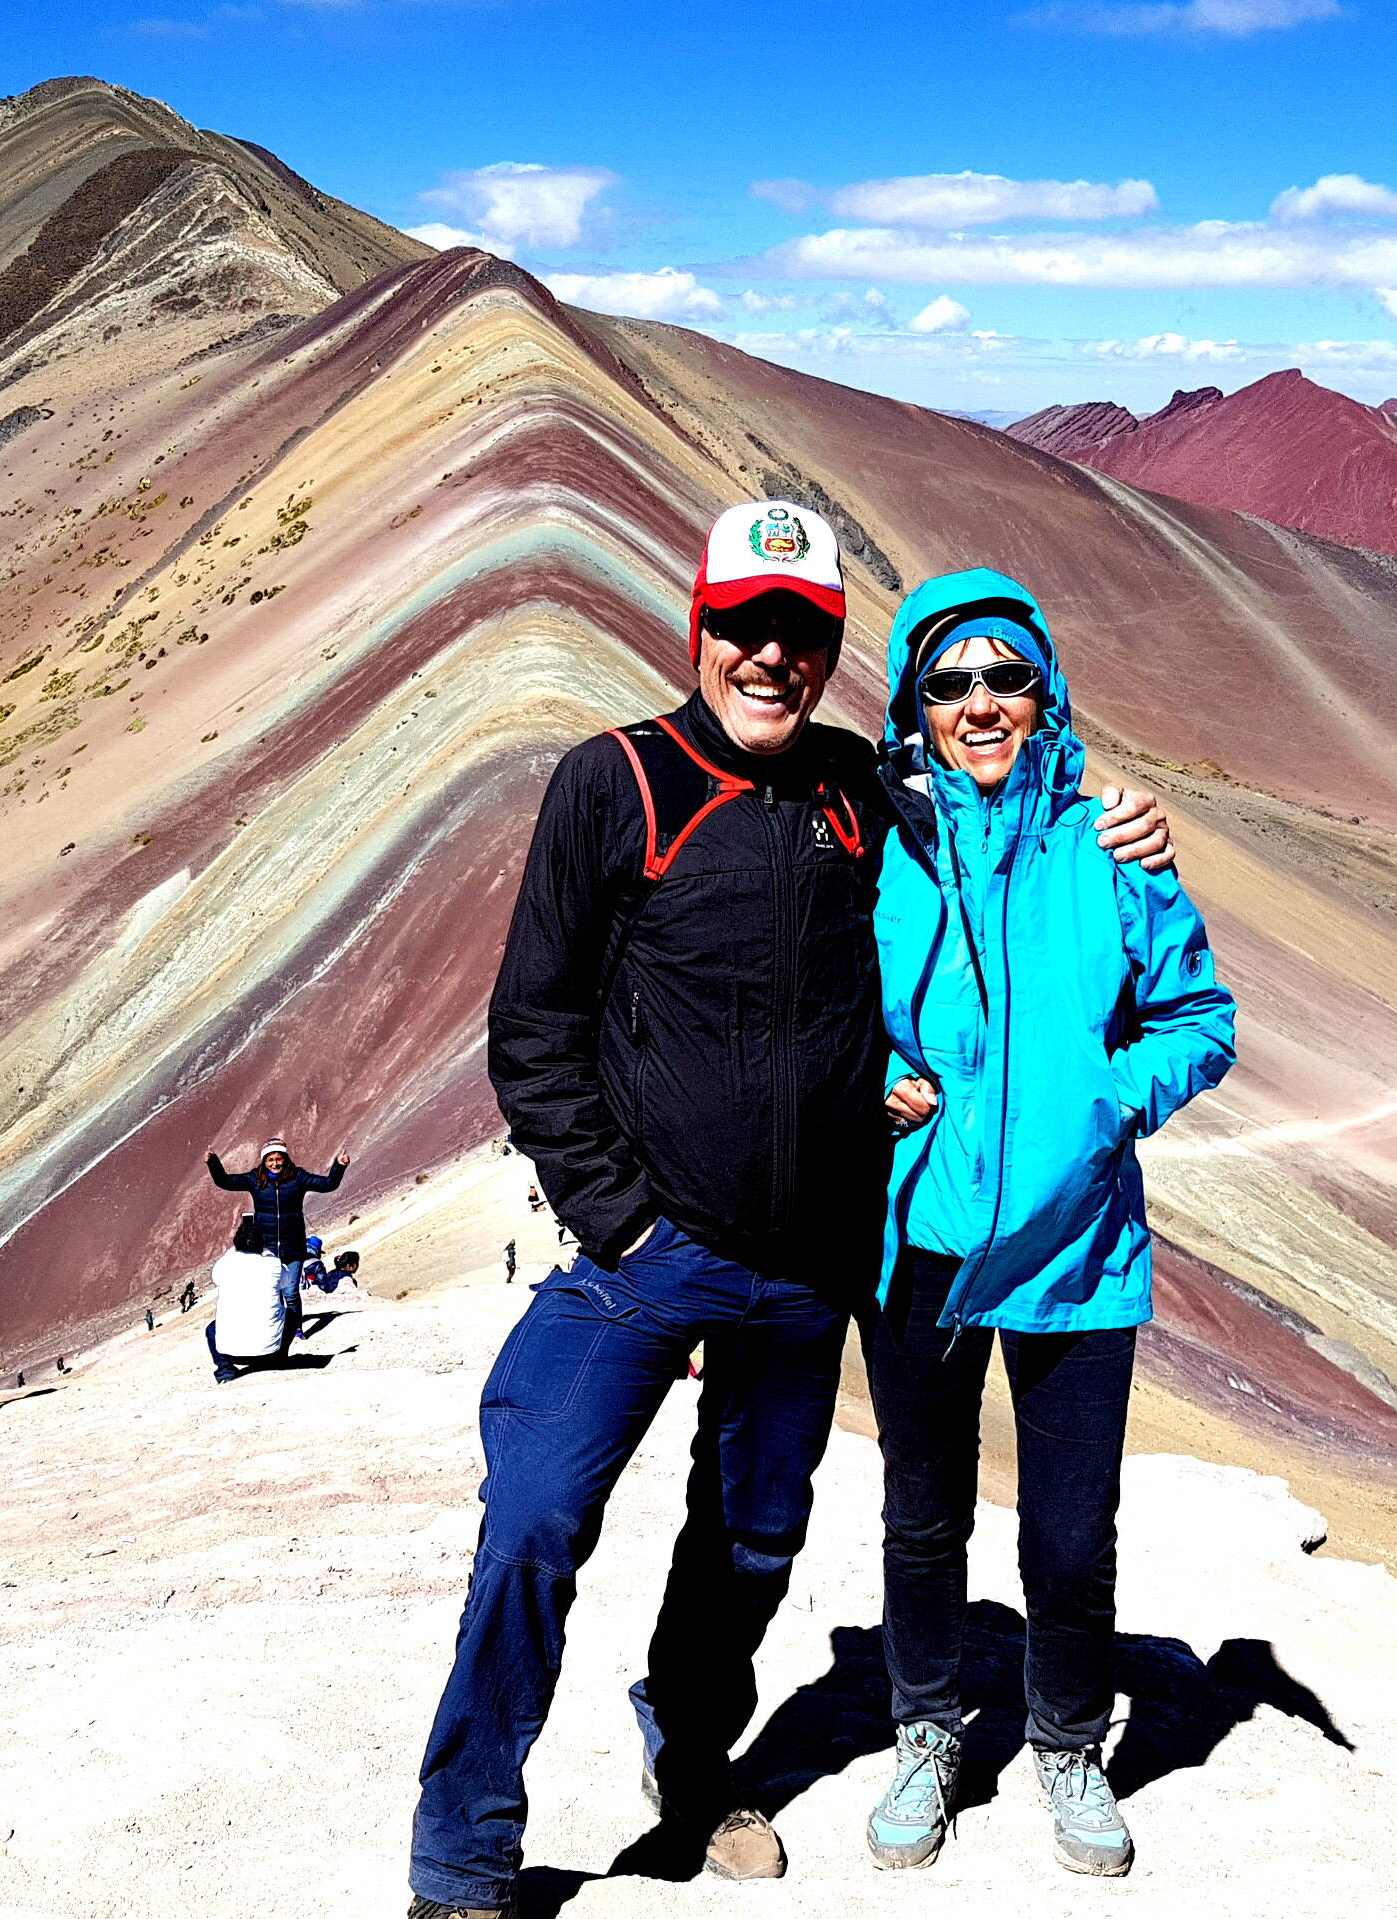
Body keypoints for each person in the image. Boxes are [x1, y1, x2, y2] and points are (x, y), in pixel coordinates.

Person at [405, 502, 1174, 1919]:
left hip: (810, 1272)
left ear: (829, 654)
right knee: (535, 1512)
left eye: (800, 634)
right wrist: (620, 1217)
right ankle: (462, 1850)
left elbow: (993, 836)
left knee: (754, 1537)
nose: (769, 655)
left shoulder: (859, 795)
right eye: (744, 626)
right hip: (646, 1256)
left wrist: (1117, 809)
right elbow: (533, 1027)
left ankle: (695, 1753)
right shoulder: (615, 782)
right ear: (698, 626)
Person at [863, 571, 1236, 1879]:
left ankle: (1070, 1738)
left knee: (1070, 1531)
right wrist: (871, 1074)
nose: (979, 702)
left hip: (1079, 1246)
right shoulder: (880, 851)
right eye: (949, 681)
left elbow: (1200, 1020)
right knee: (923, 1511)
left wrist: (1108, 1100)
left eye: (1004, 676)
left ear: (1046, 694)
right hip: (922, 1236)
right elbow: (816, 1001)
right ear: (914, 706)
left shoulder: (1112, 848)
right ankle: (926, 1727)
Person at [206, 1136, 348, 1337]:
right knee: (272, 1291)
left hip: (293, 1245)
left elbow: (328, 1184)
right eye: (270, 1160)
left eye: (278, 1159)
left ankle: (295, 1329)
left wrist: (339, 1166)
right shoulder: (255, 1179)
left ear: (285, 1159)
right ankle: (277, 1329)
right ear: (264, 1161)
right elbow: (225, 1181)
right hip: (266, 1247)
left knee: (291, 1292)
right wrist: (213, 1162)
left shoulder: (298, 1177)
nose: (275, 1164)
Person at [206, 1215, 296, 1382]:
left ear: (236, 1243)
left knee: (211, 1328)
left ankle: (225, 1370)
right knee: (291, 1315)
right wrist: (268, 1253)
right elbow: (287, 1281)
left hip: (231, 1354)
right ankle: (280, 1359)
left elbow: (217, 1279)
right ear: (262, 1243)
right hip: (270, 1352)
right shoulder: (274, 1265)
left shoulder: (223, 1266)